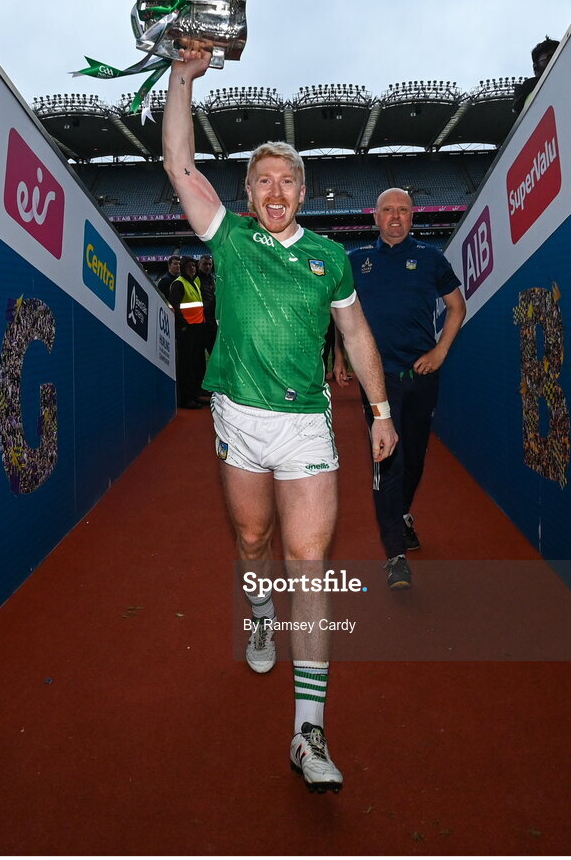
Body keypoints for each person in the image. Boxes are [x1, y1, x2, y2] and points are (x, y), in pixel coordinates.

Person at [163, 45, 397, 795]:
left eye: (286, 179)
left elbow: (355, 336)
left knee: (309, 564)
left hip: (307, 429)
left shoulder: (331, 257)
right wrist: (182, 79)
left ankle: (308, 732)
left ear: (303, 191)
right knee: (255, 541)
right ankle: (256, 611)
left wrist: (381, 409)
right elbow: (177, 164)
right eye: (262, 179)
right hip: (238, 418)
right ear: (249, 191)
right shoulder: (227, 238)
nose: (274, 189)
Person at [335, 188, 466, 589]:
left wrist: (441, 351)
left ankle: (402, 513)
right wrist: (340, 358)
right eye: (388, 210)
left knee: (414, 460)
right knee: (387, 463)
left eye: (403, 210)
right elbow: (340, 316)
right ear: (374, 217)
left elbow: (457, 307)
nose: (395, 217)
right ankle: (395, 555)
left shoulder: (431, 259)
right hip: (379, 380)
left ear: (413, 217)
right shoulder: (356, 262)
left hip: (422, 376)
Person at [169, 255, 206, 409]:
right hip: (187, 331)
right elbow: (175, 307)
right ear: (183, 268)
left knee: (195, 365)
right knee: (186, 366)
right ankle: (186, 399)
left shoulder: (193, 283)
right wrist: (183, 326)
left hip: (197, 330)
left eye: (194, 266)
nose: (192, 268)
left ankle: (194, 394)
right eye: (189, 266)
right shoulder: (179, 283)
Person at [512, 36, 559, 114]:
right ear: (536, 66)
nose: (555, 59)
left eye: (558, 54)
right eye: (550, 56)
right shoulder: (530, 88)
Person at [196, 253, 218, 363]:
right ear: (199, 264)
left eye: (210, 264)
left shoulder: (213, 279)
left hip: (211, 321)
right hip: (199, 323)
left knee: (215, 354)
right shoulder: (195, 279)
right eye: (205, 264)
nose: (208, 266)